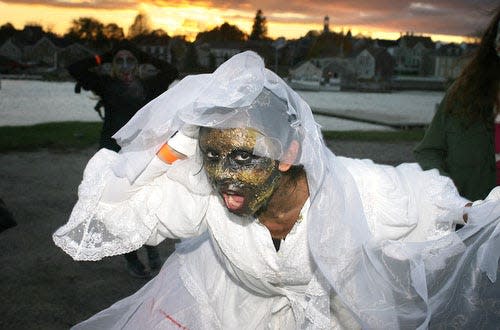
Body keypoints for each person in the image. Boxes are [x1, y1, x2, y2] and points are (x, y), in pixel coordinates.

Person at [54, 51, 500, 329]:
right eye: (212, 156)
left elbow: (427, 200)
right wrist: (177, 146)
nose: (224, 175)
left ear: (289, 151)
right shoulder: (203, 196)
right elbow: (106, 214)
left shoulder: (352, 190)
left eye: (243, 157)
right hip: (226, 314)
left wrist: (474, 213)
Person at [67, 40, 179, 278]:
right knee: (118, 207)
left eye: (131, 61)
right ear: (113, 65)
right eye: (120, 61)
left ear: (138, 65)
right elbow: (75, 69)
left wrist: (143, 54)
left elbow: (171, 71)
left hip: (140, 155)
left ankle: (151, 251)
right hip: (112, 155)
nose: (126, 65)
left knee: (143, 204)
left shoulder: (149, 86)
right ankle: (131, 258)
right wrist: (104, 57)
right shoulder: (106, 84)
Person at [414, 7, 500, 201]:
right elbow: (429, 152)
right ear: (495, 44)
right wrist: (450, 198)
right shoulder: (463, 94)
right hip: (468, 225)